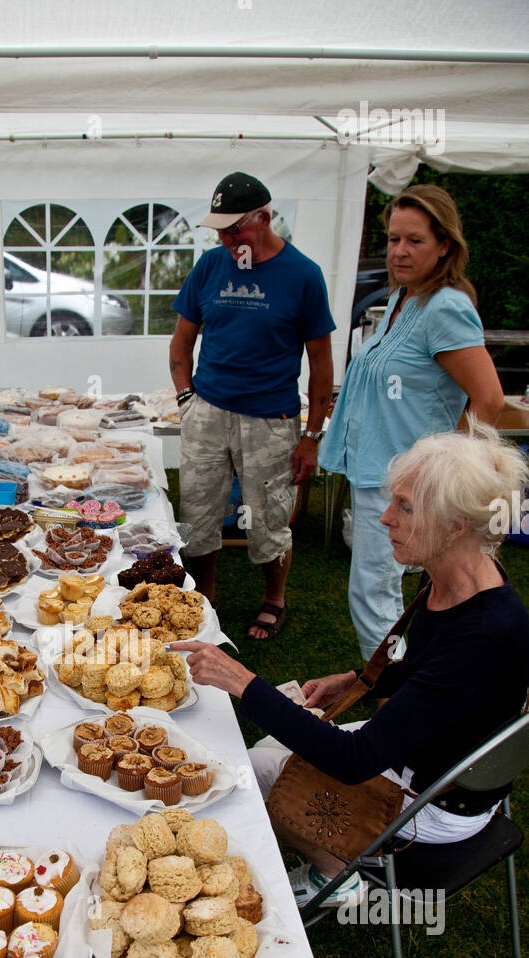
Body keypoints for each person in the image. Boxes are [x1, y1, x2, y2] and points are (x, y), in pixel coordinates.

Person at [173, 423, 529, 908]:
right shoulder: (463, 581)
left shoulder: (485, 634)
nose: (385, 518)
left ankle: (337, 877)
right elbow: (437, 675)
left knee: (255, 767)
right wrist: (360, 679)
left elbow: (353, 759)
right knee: (278, 742)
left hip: (435, 803)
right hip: (434, 763)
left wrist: (242, 682)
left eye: (405, 506)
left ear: (455, 525)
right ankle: (334, 863)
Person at [320, 184, 504, 662]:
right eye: (393, 239)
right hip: (379, 471)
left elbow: (488, 398)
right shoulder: (405, 297)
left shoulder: (445, 306)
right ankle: (405, 685)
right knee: (392, 594)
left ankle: (393, 702)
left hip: (408, 482)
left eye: (415, 240)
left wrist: (452, 472)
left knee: (374, 595)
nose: (399, 251)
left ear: (445, 245)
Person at [169, 171, 335, 638]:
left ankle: (273, 598)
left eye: (234, 228)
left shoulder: (303, 275)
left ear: (264, 217)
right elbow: (181, 341)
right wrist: (187, 399)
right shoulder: (209, 266)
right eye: (219, 229)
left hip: (271, 417)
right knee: (197, 513)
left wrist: (311, 435)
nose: (225, 238)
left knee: (269, 518)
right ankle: (205, 594)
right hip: (208, 411)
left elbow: (322, 364)